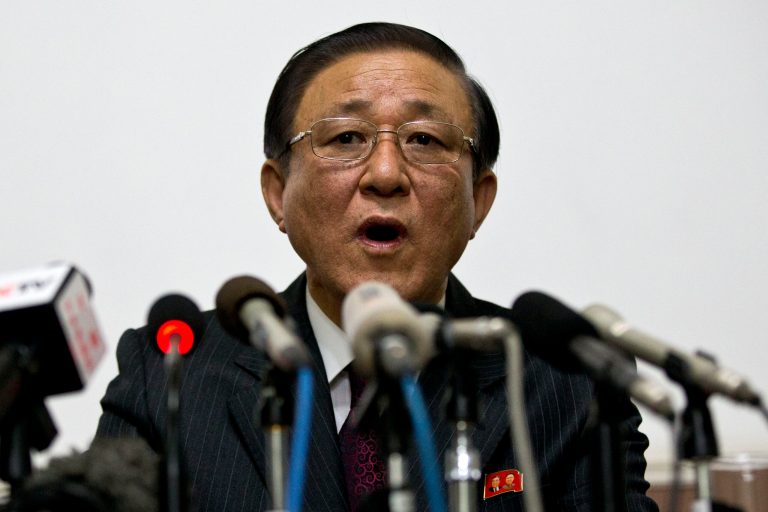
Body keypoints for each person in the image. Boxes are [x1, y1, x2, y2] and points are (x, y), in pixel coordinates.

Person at [96, 22, 658, 511]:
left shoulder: (565, 381)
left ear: (478, 201)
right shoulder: (169, 372)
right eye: (345, 137)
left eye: (424, 139)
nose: (386, 173)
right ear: (278, 193)